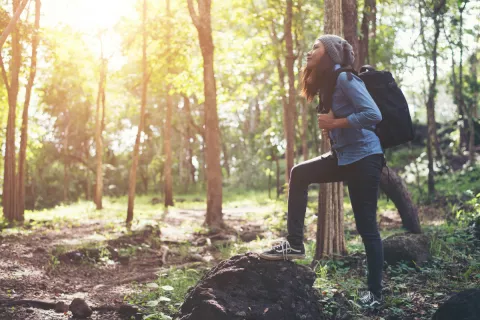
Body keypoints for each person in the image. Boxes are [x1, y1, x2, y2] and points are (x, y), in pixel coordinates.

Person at [259, 35, 385, 307]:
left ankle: (375, 293)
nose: (309, 51)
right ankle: (294, 244)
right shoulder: (328, 82)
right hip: (344, 157)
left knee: (367, 227)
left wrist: (335, 122)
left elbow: (373, 115)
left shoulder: (345, 79)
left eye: (315, 47)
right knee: (300, 173)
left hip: (365, 158)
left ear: (330, 54)